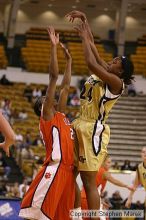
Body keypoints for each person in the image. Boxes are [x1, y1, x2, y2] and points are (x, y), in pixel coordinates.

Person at [66, 10, 134, 215]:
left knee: (88, 181)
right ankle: (76, 215)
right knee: (70, 175)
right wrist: (85, 23)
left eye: (115, 63)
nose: (111, 62)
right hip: (80, 122)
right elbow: (94, 51)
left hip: (92, 130)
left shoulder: (116, 82)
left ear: (120, 71)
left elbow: (90, 62)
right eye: (112, 60)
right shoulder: (108, 72)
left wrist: (84, 40)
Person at [19, 26, 75, 220]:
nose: (48, 98)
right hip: (55, 168)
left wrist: (69, 61)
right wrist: (53, 48)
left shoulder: (61, 115)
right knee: (34, 215)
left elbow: (66, 87)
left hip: (68, 173)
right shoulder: (48, 116)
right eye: (45, 99)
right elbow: (53, 78)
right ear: (42, 108)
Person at [81, 156, 133, 220]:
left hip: (84, 198)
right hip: (88, 199)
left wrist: (101, 201)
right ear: (102, 162)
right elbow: (115, 181)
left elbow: (95, 189)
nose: (110, 164)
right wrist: (126, 186)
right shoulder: (104, 172)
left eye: (110, 162)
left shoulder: (95, 169)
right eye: (108, 162)